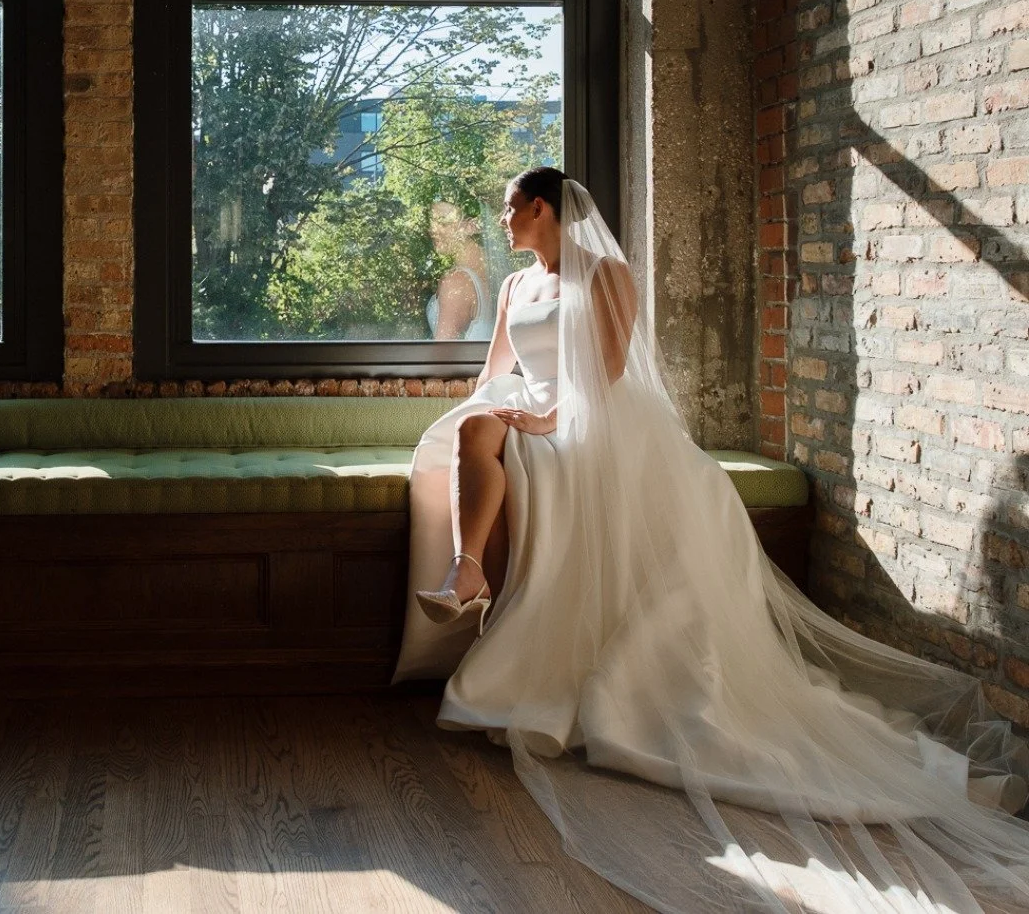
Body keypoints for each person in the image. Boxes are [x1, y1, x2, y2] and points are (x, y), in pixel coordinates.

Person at [394, 167, 1029, 913]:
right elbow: (494, 370)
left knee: (506, 444)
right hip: (530, 412)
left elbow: (605, 373)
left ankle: (491, 591)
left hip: (595, 426)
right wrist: (502, 411)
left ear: (543, 208)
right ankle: (467, 573)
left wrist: (547, 420)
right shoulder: (512, 289)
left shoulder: (605, 275)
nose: (502, 224)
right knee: (471, 425)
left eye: (510, 211)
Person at [424, 200, 495, 341]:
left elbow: (441, 357)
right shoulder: (490, 273)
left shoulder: (457, 282)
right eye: (432, 222)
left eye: (443, 222)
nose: (432, 230)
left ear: (471, 226)